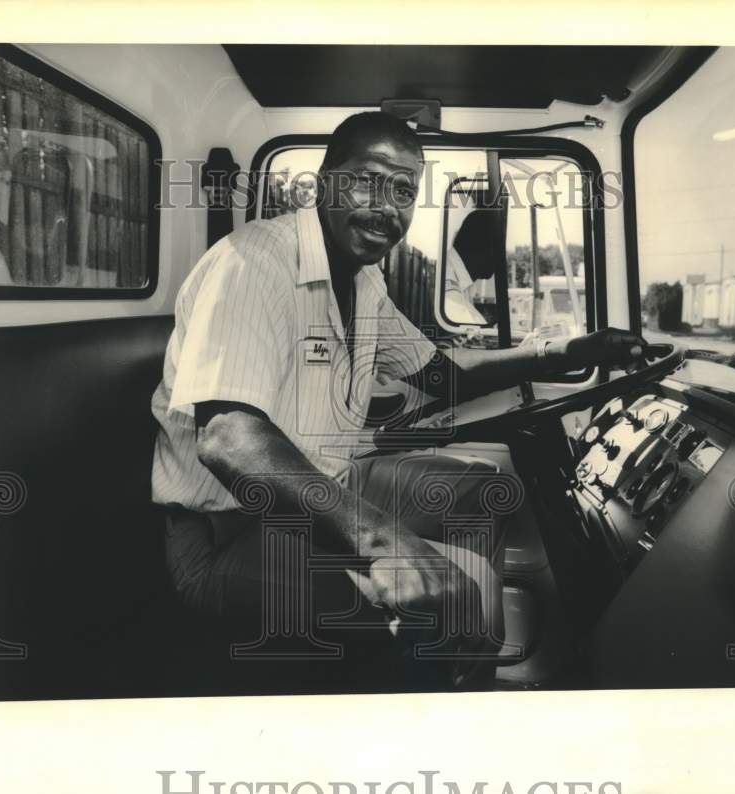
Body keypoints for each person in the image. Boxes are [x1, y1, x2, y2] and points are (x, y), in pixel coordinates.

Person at [150, 111, 645, 693]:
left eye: (405, 191)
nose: (387, 207)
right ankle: (430, 704)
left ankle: (449, 661)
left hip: (326, 485)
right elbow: (228, 436)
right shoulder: (254, 262)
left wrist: (563, 352)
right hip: (225, 534)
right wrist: (389, 545)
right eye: (367, 181)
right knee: (450, 588)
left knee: (482, 491)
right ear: (324, 182)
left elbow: (442, 375)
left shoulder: (364, 282)